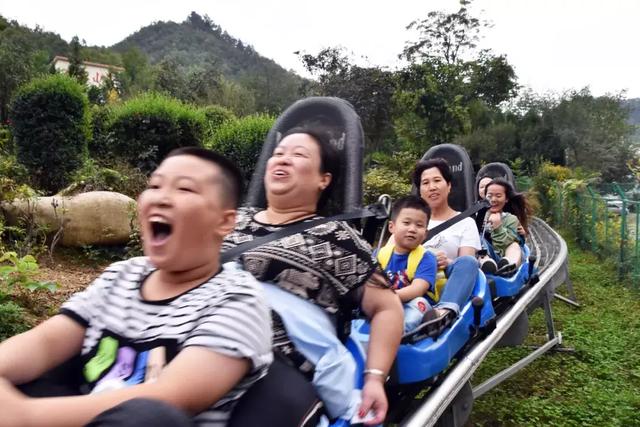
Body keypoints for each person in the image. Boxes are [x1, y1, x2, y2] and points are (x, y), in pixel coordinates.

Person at [0, 147, 273, 427]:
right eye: (155, 186)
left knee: (150, 417)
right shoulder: (123, 274)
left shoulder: (239, 301)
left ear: (225, 221)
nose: (161, 198)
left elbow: (171, 396)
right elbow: (45, 343)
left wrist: (25, 415)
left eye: (185, 189)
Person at [224, 126, 403, 426]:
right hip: (196, 338)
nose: (283, 159)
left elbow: (387, 308)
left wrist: (374, 378)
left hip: (275, 369)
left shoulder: (339, 239)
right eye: (278, 153)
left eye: (299, 155)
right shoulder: (230, 219)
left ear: (324, 179)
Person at [413, 158, 482, 336]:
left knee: (468, 262)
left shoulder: (465, 223)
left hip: (445, 282)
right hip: (413, 281)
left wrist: (445, 261)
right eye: (425, 183)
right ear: (420, 190)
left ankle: (442, 314)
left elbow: (465, 262)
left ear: (449, 186)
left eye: (437, 180)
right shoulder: (411, 222)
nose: (432, 187)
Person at [376, 196, 437, 332]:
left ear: (425, 233)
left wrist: (387, 297)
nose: (412, 229)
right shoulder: (380, 254)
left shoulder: (427, 258)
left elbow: (417, 289)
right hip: (386, 304)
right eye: (406, 223)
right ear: (392, 227)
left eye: (419, 225)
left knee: (419, 304)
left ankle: (400, 332)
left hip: (412, 303)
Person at [478, 178, 531, 276]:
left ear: (506, 199)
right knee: (479, 242)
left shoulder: (511, 219)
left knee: (514, 245)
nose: (493, 199)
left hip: (505, 253)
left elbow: (505, 243)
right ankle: (487, 265)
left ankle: (507, 265)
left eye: (498, 196)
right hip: (487, 255)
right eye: (489, 196)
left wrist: (498, 227)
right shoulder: (478, 217)